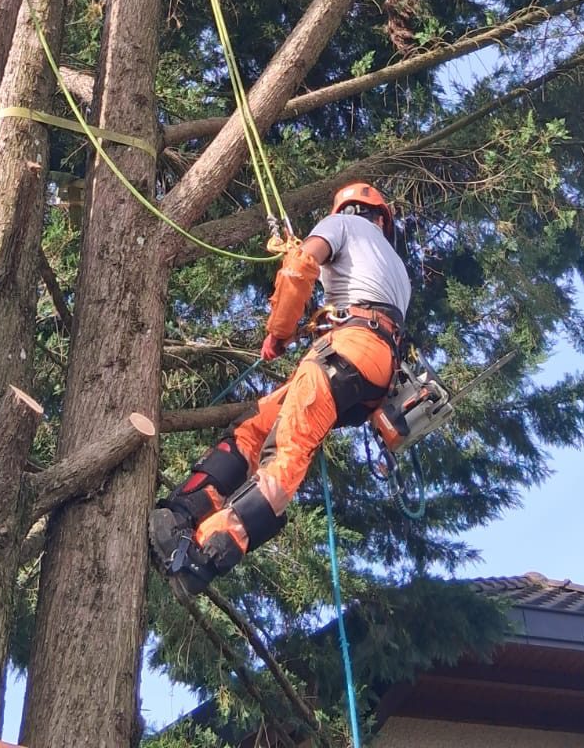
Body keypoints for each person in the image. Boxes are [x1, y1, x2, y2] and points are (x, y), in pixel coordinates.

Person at [150, 181, 411, 595]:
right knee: (256, 426)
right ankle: (183, 512)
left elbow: (300, 267)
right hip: (370, 373)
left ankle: (205, 552)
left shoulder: (341, 224)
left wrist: (278, 332)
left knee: (286, 450)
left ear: (351, 210)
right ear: (383, 219)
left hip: (344, 351)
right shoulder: (395, 267)